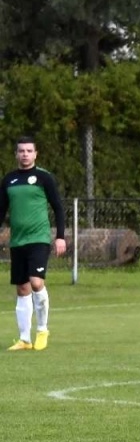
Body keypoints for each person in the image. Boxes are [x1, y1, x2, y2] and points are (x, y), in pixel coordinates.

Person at [1, 138, 67, 352]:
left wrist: (60, 236)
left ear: (35, 154)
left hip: (38, 238)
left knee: (36, 282)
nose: (25, 154)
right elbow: (1, 210)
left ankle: (42, 330)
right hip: (18, 240)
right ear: (16, 154)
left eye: (29, 151)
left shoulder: (43, 178)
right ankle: (24, 339)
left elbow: (58, 207)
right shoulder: (9, 180)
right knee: (22, 287)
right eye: (21, 151)